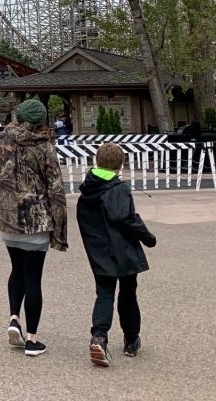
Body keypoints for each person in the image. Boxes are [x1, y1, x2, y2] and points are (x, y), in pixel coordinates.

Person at [0, 98, 68, 357]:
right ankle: (32, 338)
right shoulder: (44, 147)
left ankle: (14, 318)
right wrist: (59, 233)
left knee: (16, 269)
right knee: (33, 278)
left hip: (7, 219)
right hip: (37, 220)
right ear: (41, 121)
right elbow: (57, 191)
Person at [77, 143, 157, 367]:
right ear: (120, 165)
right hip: (123, 250)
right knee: (128, 294)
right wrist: (147, 237)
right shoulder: (118, 189)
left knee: (104, 293)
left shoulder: (87, 191)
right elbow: (125, 218)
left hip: (99, 250)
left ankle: (99, 336)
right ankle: (131, 339)